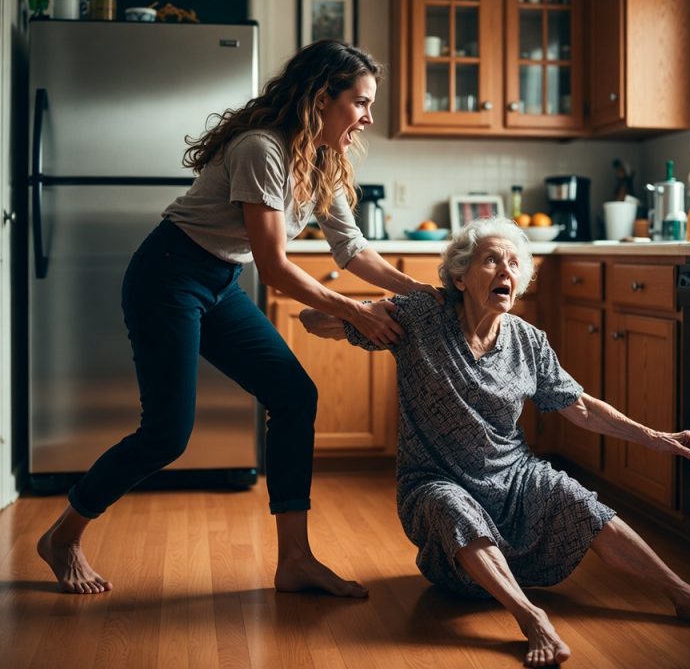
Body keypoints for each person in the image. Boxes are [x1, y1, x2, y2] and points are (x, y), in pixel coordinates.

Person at [37, 39, 441, 596]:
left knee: (294, 397)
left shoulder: (322, 157)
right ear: (322, 97)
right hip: (168, 276)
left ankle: (295, 560)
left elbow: (352, 249)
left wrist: (420, 290)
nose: (368, 117)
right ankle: (63, 536)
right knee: (166, 434)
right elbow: (273, 266)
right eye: (361, 102)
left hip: (219, 282)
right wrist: (355, 310)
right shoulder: (261, 148)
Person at [300, 216, 690, 667]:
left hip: (514, 479)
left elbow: (580, 407)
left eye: (513, 264)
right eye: (490, 260)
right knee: (451, 506)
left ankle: (688, 596)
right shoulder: (421, 317)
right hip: (435, 482)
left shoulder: (528, 341)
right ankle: (531, 617)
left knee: (578, 499)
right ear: (459, 278)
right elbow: (310, 319)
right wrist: (357, 311)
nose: (505, 270)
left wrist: (659, 438)